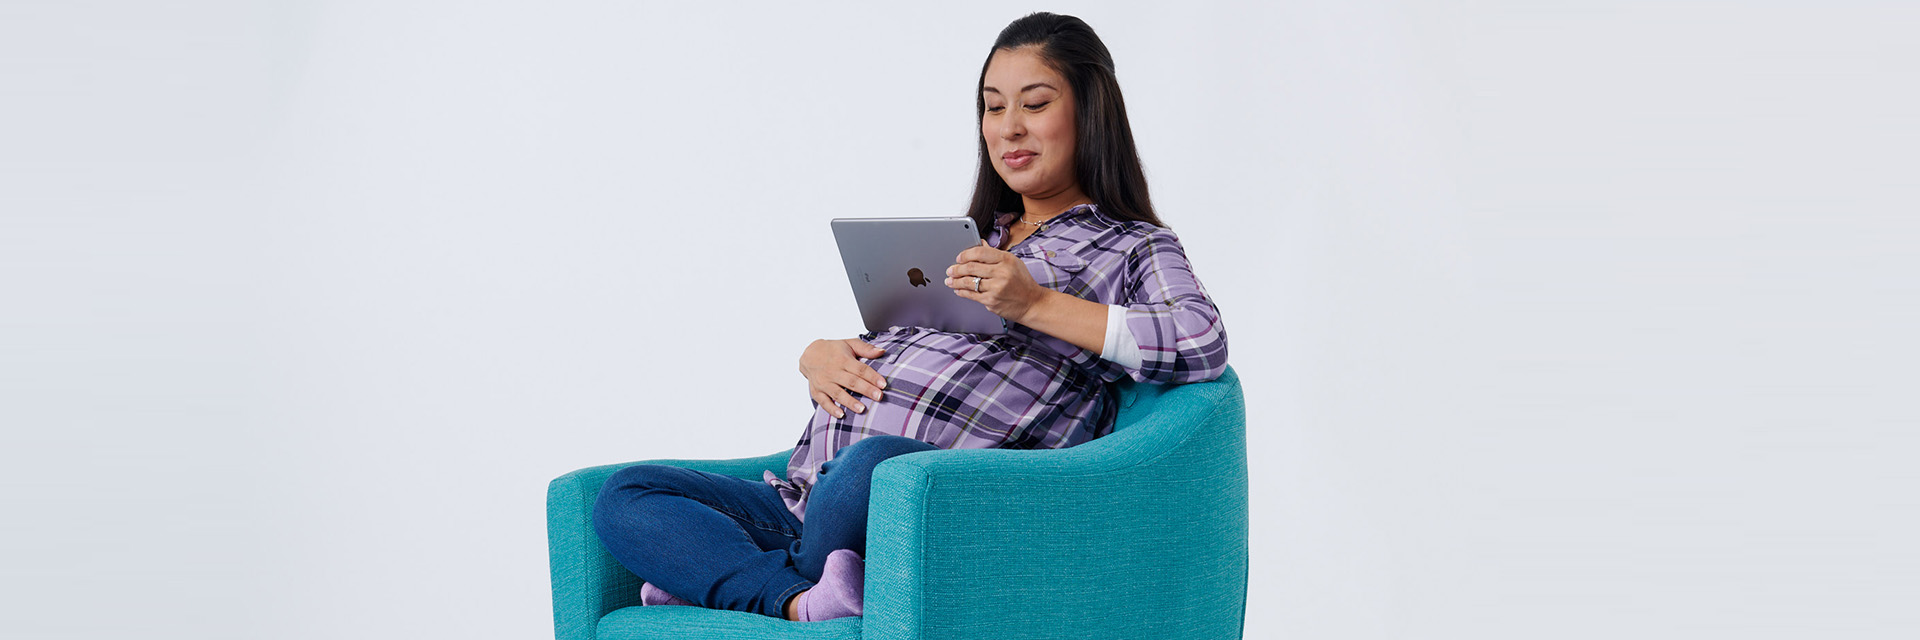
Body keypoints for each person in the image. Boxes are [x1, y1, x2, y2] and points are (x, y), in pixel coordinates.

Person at [591, 12, 1228, 622]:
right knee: (626, 494)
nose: (1009, 127)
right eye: (992, 105)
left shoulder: (1132, 246)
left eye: (1034, 104)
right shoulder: (972, 238)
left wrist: (1035, 304)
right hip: (807, 495)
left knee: (875, 466)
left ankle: (726, 582)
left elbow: (1201, 341)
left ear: (1090, 114)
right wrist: (820, 356)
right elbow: (894, 353)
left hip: (919, 499)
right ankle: (797, 598)